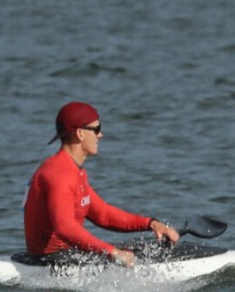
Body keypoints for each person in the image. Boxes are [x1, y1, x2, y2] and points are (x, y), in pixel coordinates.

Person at [23, 101, 180, 268]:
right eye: (96, 129)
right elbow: (64, 227)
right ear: (80, 134)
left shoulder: (74, 171)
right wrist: (112, 252)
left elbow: (103, 215)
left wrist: (151, 223)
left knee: (144, 250)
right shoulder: (60, 175)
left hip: (68, 255)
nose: (100, 135)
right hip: (50, 260)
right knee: (135, 255)